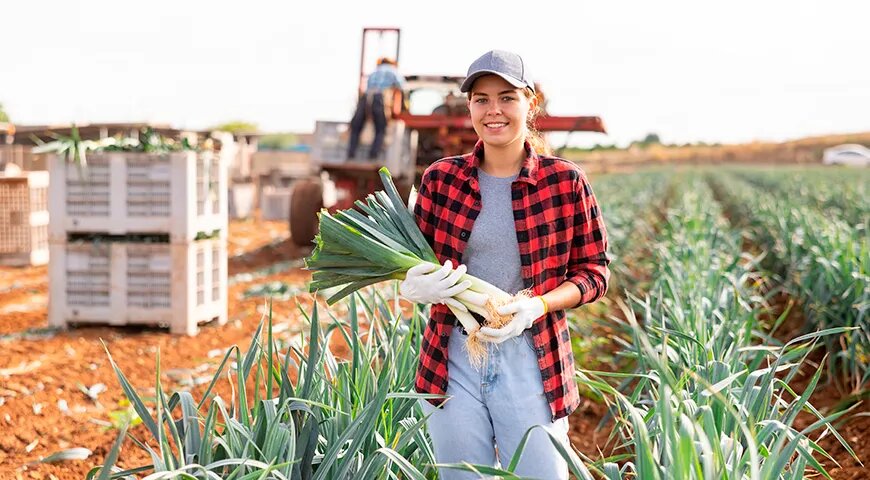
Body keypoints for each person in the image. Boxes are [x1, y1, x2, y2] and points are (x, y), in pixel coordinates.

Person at [399, 50, 610, 479]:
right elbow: (412, 259)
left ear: (530, 102)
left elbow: (595, 272)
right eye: (481, 99)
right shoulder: (441, 179)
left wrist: (539, 305)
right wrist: (412, 285)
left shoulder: (565, 182)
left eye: (506, 97)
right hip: (452, 355)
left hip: (533, 355)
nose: (493, 110)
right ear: (470, 107)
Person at [346, 57, 405, 161]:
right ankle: (373, 155)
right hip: (379, 98)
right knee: (380, 128)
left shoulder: (374, 72)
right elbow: (401, 86)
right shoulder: (392, 71)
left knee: (356, 126)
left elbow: (368, 86)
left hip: (365, 99)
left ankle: (351, 153)